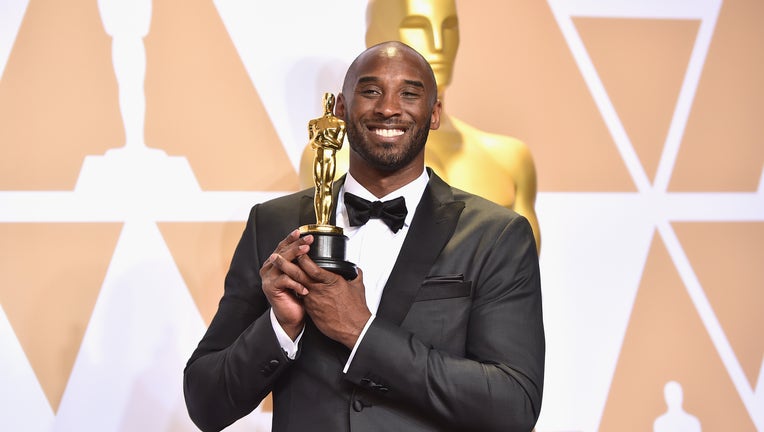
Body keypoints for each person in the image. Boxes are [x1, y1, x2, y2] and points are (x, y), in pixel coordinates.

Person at [184, 41, 544, 432]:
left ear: (435, 113)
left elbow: (512, 406)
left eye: (409, 93)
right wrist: (279, 326)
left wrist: (362, 332)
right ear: (340, 107)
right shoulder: (274, 224)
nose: (388, 107)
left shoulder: (495, 235)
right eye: (370, 91)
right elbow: (206, 403)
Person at [298, 0, 542, 252]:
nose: (438, 45)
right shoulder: (330, 155)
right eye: (416, 26)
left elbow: (523, 274)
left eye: (448, 27)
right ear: (375, 36)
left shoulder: (509, 158)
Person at [308, 92, 347, 226]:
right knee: (319, 187)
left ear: (335, 102)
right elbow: (312, 143)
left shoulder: (339, 124)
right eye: (326, 100)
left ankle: (325, 222)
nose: (328, 102)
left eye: (330, 100)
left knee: (327, 188)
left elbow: (338, 144)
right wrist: (321, 141)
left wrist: (323, 140)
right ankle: (320, 222)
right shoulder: (314, 123)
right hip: (319, 156)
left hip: (330, 156)